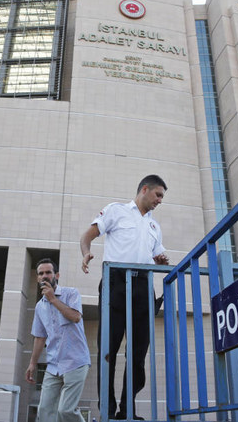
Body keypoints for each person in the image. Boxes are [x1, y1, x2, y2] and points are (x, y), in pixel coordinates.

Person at [79, 174, 169, 420]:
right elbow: (87, 235)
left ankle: (127, 409)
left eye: (162, 197)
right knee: (108, 349)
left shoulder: (154, 226)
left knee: (138, 352)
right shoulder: (116, 211)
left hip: (143, 287)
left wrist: (160, 260)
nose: (160, 200)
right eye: (158, 195)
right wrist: (86, 253)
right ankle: (107, 411)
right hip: (115, 284)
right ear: (144, 189)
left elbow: (158, 255)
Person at [26, 258, 91, 422]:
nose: (45, 276)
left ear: (57, 275)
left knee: (66, 411)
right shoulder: (40, 307)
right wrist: (32, 364)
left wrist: (53, 299)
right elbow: (40, 337)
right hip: (53, 365)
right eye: (41, 274)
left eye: (48, 272)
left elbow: (76, 317)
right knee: (45, 410)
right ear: (37, 278)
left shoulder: (71, 293)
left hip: (75, 362)